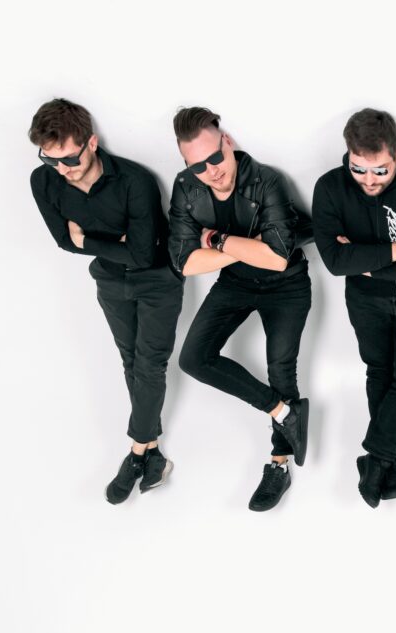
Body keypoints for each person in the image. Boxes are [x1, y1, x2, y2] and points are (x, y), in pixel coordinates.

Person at [28, 98, 183, 505]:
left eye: (70, 158)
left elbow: (143, 255)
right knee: (130, 360)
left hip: (158, 279)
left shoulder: (134, 181)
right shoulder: (43, 181)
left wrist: (88, 239)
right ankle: (153, 454)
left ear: (91, 143)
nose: (62, 169)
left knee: (150, 363)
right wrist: (113, 243)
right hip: (110, 279)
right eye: (51, 159)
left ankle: (136, 453)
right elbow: (64, 241)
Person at [169, 107, 311, 512]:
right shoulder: (186, 188)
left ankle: (278, 465)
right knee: (193, 358)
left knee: (281, 368)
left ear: (227, 141)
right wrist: (249, 248)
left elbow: (278, 258)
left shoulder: (267, 181)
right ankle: (284, 411)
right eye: (198, 166)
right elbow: (185, 263)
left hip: (286, 286)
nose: (211, 171)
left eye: (215, 157)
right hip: (235, 284)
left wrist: (215, 240)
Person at [312, 109, 396, 508]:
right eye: (359, 169)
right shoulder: (330, 187)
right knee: (380, 372)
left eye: (380, 171)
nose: (369, 180)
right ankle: (390, 464)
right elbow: (335, 261)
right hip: (365, 299)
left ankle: (375, 458)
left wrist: (364, 259)